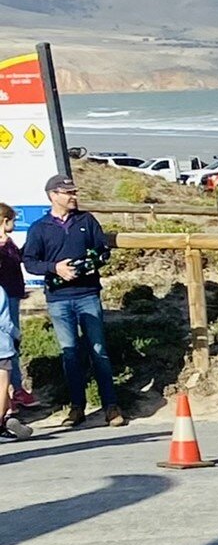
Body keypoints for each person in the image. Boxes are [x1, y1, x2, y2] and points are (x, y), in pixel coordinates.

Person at [21, 174, 123, 430]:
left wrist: (89, 265)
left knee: (99, 352)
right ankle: (77, 407)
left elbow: (103, 251)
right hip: (58, 300)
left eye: (74, 192)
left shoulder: (86, 221)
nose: (73, 197)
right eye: (67, 193)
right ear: (53, 195)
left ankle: (111, 406)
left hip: (88, 295)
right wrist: (55, 268)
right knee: (70, 354)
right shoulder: (39, 228)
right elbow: (30, 262)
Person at [0, 203, 29, 441]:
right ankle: (10, 403)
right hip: (4, 298)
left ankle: (12, 402)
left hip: (12, 294)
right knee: (6, 356)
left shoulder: (8, 245)